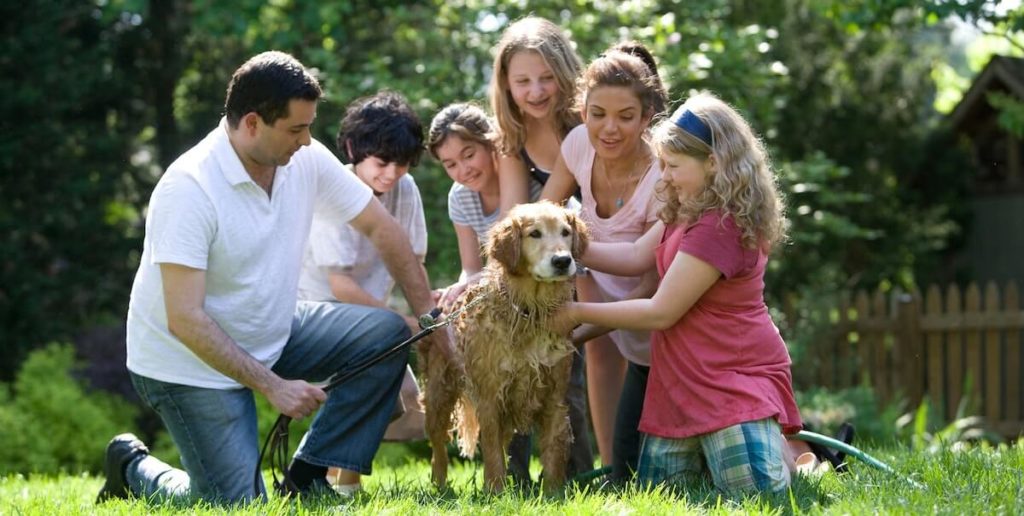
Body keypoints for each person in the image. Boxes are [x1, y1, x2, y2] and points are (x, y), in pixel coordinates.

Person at [96, 51, 450, 506]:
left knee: (385, 333)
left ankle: (308, 475)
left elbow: (383, 229)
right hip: (188, 364)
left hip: (274, 329)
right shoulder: (188, 188)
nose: (306, 142)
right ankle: (132, 467)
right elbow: (183, 318)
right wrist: (272, 386)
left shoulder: (302, 158)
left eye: (309, 127)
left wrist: (429, 320)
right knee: (237, 505)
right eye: (296, 129)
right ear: (251, 123)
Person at [550, 92, 802, 495]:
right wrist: (558, 246)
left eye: (672, 166)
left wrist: (574, 312)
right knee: (661, 495)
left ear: (714, 164)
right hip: (680, 384)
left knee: (754, 492)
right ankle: (771, 452)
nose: (662, 176)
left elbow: (660, 312)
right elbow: (635, 257)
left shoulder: (720, 225)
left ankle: (795, 461)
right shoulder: (686, 208)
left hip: (729, 381)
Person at [428, 102, 592, 486]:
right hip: (500, 304)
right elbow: (472, 266)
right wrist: (458, 290)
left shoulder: (536, 193)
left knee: (568, 393)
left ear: (492, 145)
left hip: (552, 305)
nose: (463, 169)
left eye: (469, 154)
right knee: (500, 390)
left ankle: (577, 477)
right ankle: (508, 482)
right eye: (450, 164)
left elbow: (566, 243)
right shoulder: (460, 198)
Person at [540, 42, 667, 483]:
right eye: (597, 114)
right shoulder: (577, 145)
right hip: (614, 322)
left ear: (647, 116)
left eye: (625, 117)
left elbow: (650, 286)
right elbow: (543, 214)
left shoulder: (664, 175)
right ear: (583, 110)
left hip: (666, 334)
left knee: (677, 466)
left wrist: (573, 328)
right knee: (626, 470)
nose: (608, 129)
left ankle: (805, 451)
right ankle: (613, 471)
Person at [296, 90, 428, 449]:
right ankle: (334, 478)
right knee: (378, 395)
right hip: (320, 315)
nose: (392, 174)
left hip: (371, 317)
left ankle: (336, 477)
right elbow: (341, 286)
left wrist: (429, 318)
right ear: (354, 150)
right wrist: (404, 324)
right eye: (382, 163)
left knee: (412, 410)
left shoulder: (406, 188)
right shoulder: (334, 188)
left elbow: (413, 264)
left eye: (401, 165)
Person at [490, 16, 583, 215]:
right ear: (506, 82)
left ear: (564, 72)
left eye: (547, 77)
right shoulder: (513, 134)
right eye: (523, 81)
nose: (536, 92)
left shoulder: (589, 117)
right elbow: (513, 213)